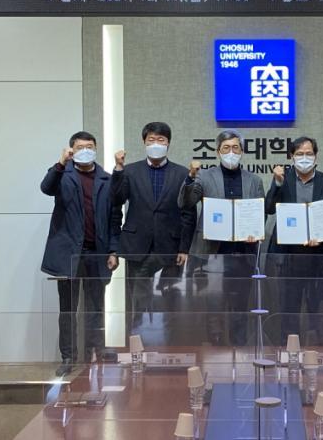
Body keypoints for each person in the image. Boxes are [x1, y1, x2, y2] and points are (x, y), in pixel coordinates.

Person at [40, 131, 122, 376]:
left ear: (96, 149)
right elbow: (46, 188)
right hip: (68, 254)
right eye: (80, 147)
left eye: (90, 146)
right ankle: (68, 356)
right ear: (71, 150)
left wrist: (114, 250)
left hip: (98, 253)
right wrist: (60, 162)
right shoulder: (62, 175)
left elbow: (114, 218)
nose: (85, 150)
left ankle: (96, 349)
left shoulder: (107, 179)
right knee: (68, 309)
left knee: (96, 306)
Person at [178, 129, 265, 346]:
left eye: (235, 148)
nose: (231, 152)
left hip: (243, 252)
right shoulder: (204, 176)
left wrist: (255, 231)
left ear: (242, 151)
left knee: (241, 303)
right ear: (218, 152)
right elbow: (185, 203)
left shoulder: (254, 180)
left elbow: (259, 212)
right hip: (211, 252)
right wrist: (190, 177)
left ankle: (239, 344)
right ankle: (215, 346)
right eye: (226, 148)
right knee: (213, 303)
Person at [111, 122, 196, 335]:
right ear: (144, 142)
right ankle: (137, 343)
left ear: (168, 143)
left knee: (170, 300)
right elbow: (115, 201)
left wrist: (184, 248)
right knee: (137, 301)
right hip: (137, 246)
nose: (156, 144)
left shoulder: (181, 173)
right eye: (151, 140)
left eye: (161, 140)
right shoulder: (129, 171)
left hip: (170, 248)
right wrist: (118, 169)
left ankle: (170, 342)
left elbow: (188, 213)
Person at [265, 136, 323, 345]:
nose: (304, 158)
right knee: (287, 307)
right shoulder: (283, 179)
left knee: (317, 309)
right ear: (291, 156)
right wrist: (277, 184)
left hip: (318, 255)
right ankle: (287, 351)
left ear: (316, 156)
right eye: (299, 154)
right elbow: (269, 208)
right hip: (288, 256)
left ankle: (317, 352)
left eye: (309, 153)